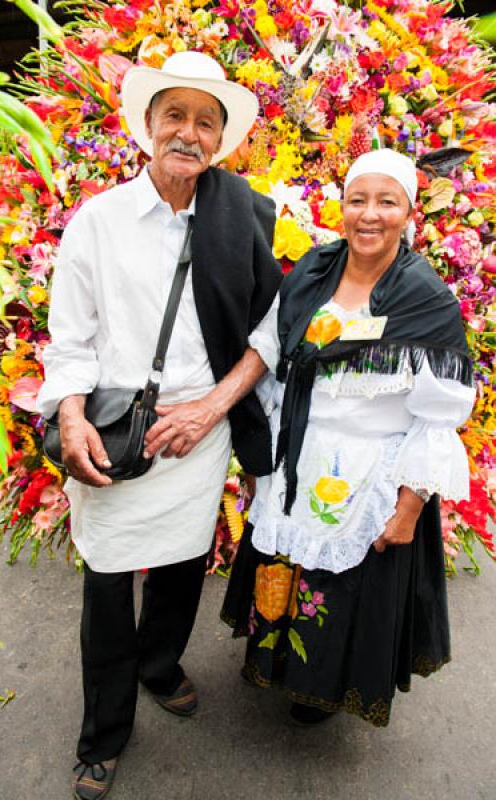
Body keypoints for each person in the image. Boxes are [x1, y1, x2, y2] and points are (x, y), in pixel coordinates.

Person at [37, 51, 282, 799]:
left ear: (219, 140)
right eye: (174, 115)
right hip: (115, 432)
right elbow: (70, 338)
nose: (189, 132)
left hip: (198, 430)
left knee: (181, 565)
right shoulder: (99, 222)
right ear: (146, 125)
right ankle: (103, 733)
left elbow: (272, 330)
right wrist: (71, 414)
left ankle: (159, 664)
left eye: (205, 121)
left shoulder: (242, 213)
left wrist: (211, 408)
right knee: (109, 583)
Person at [222, 149, 475, 728]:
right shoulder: (313, 270)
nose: (370, 214)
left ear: (409, 212)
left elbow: (438, 416)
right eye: (358, 200)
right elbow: (270, 342)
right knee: (287, 572)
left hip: (367, 479)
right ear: (341, 209)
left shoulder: (424, 298)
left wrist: (409, 508)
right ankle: (283, 667)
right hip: (298, 460)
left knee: (341, 593)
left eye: (387, 202)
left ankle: (322, 689)